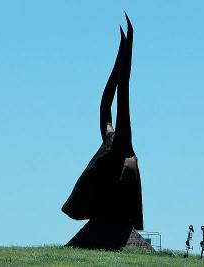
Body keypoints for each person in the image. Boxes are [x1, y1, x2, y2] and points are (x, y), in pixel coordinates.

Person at [62, 13, 143, 231]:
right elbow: (108, 103)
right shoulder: (114, 141)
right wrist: (122, 57)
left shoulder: (120, 146)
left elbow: (117, 97)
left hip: (118, 206)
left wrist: (125, 54)